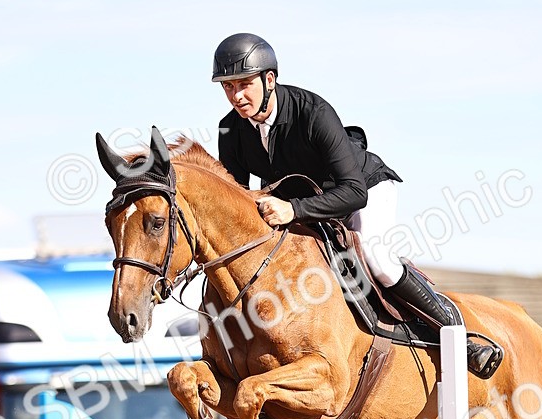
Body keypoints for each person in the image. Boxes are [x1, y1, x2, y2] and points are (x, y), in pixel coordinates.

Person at [212, 32, 499, 378]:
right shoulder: (230, 130)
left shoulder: (313, 113)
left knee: (378, 259)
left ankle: (461, 339)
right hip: (306, 201)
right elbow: (238, 198)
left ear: (269, 79)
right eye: (228, 87)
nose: (236, 96)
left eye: (244, 84)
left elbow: (355, 192)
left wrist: (294, 210)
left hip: (362, 187)